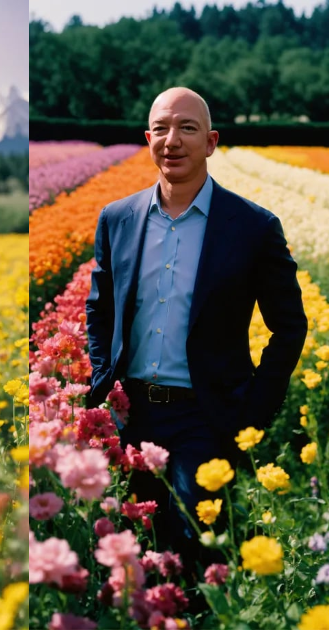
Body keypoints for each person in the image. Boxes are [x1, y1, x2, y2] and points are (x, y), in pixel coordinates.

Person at [86, 87, 307, 572]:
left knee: (192, 553)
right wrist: (102, 382)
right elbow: (99, 308)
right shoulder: (117, 219)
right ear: (148, 139)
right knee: (128, 555)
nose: (173, 140)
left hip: (206, 418)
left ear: (210, 142)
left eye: (187, 128)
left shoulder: (253, 227)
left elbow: (289, 326)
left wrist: (252, 410)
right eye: (161, 128)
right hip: (130, 416)